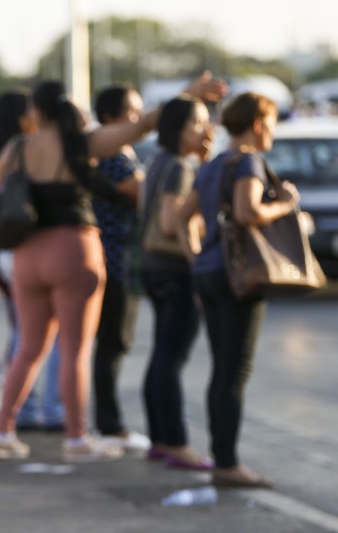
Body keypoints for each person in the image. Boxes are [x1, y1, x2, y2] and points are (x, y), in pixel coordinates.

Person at [0, 79, 158, 463]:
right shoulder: (80, 143)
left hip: (27, 253)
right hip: (73, 250)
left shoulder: (17, 147)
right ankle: (76, 438)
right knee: (74, 349)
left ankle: (2, 431)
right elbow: (140, 127)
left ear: (35, 111)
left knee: (28, 348)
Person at [177, 92, 297, 488]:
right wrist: (286, 205)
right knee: (234, 371)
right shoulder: (247, 162)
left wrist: (197, 258)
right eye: (272, 125)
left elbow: (178, 218)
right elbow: (248, 212)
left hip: (211, 272)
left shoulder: (213, 164)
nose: (273, 133)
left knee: (222, 368)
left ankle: (222, 458)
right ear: (258, 125)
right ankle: (227, 464)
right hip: (238, 276)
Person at [140, 95, 215, 470]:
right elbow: (172, 223)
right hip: (175, 270)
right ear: (177, 128)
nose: (205, 129)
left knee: (161, 354)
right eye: (196, 123)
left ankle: (159, 439)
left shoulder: (158, 162)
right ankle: (175, 442)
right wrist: (197, 263)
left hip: (153, 268)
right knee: (171, 357)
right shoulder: (179, 168)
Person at [0, 88, 64, 432]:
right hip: (41, 247)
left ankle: (24, 408)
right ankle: (52, 409)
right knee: (50, 332)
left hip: (7, 248)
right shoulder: (45, 146)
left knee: (23, 329)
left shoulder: (10, 148)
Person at [90, 84, 150, 453]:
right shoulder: (113, 157)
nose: (139, 119)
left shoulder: (115, 154)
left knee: (113, 344)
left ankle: (106, 422)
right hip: (115, 262)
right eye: (133, 112)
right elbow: (144, 196)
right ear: (112, 117)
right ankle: (109, 424)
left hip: (118, 260)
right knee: (112, 344)